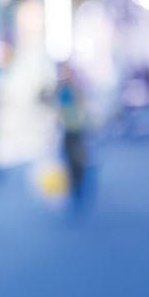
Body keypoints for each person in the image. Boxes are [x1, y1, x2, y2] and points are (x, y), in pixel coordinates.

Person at [56, 65, 91, 210]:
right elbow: (58, 107)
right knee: (70, 159)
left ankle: (77, 185)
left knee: (76, 159)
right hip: (68, 129)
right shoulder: (63, 90)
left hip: (76, 129)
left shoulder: (75, 90)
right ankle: (73, 186)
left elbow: (82, 107)